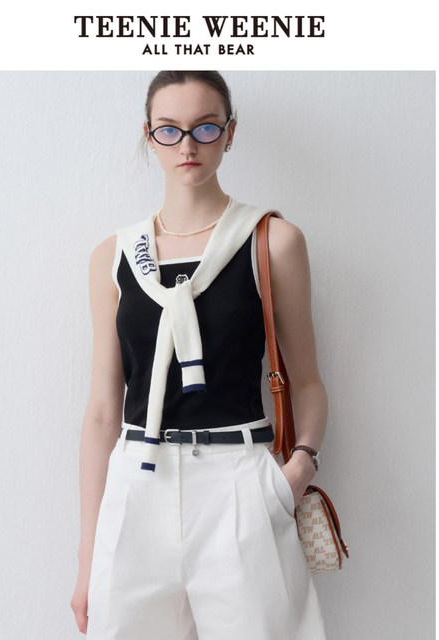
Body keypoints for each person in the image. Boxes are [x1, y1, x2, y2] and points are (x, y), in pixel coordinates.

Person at [70, 70, 328, 639]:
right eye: (169, 129)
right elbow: (102, 412)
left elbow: (307, 380)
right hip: (137, 484)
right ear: (148, 136)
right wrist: (89, 557)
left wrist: (298, 469)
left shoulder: (271, 241)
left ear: (230, 133)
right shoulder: (114, 256)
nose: (187, 144)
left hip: (239, 480)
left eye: (205, 127)